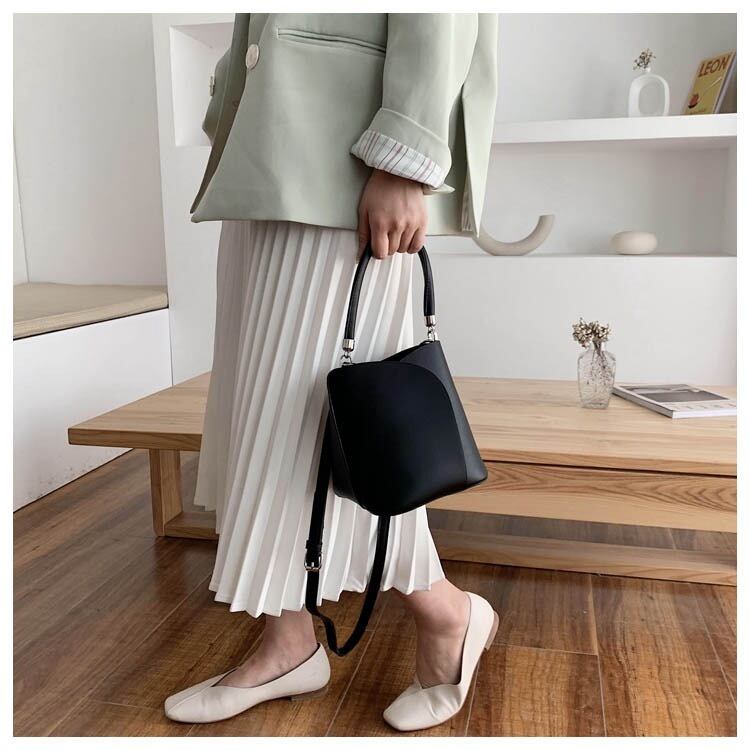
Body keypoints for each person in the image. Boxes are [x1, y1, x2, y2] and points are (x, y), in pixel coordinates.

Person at [163, 12, 498, 732]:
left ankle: (446, 610)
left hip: (348, 154)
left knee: (327, 428)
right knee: (264, 417)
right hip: (265, 144)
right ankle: (288, 640)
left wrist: (403, 157)